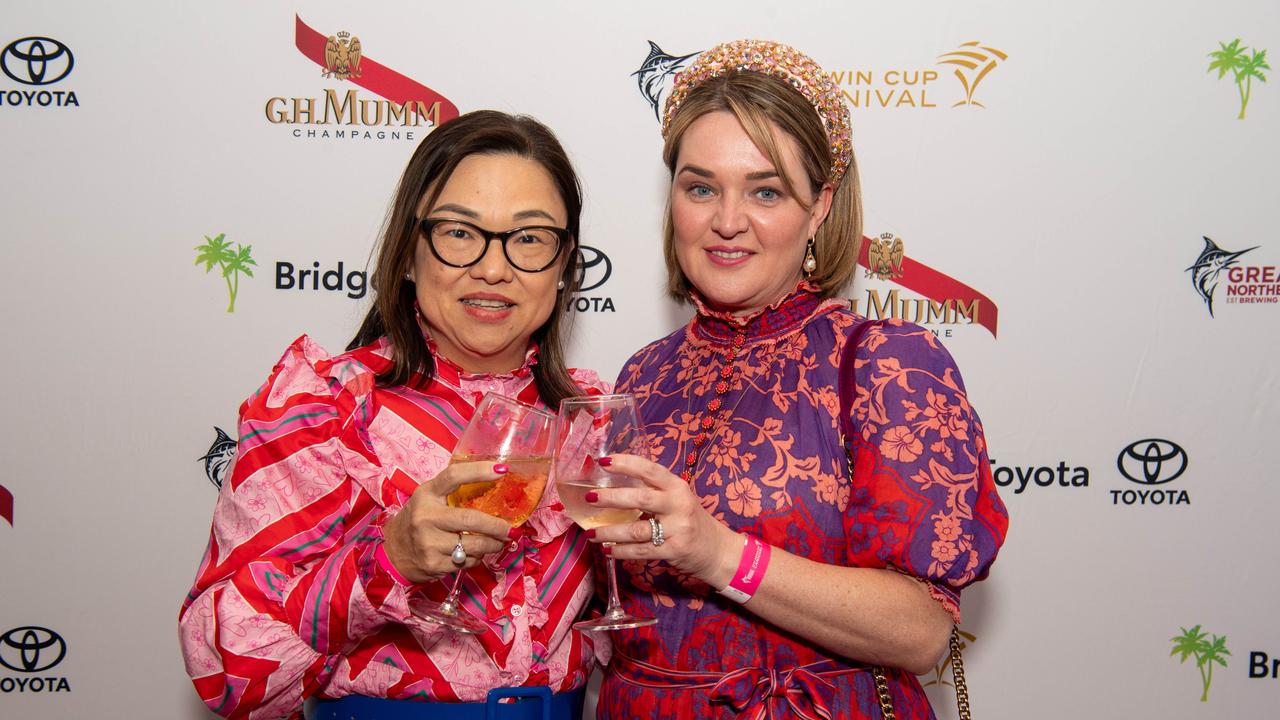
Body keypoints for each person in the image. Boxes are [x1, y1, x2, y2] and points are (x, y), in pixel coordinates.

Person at [584, 40, 1009, 718]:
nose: (727, 221)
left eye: (766, 191)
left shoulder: (886, 364)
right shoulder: (646, 372)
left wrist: (720, 553)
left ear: (819, 208)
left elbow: (923, 632)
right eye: (700, 188)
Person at [179, 110, 607, 720]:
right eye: (460, 232)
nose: (493, 267)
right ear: (408, 253)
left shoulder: (592, 419)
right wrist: (387, 565)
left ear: (564, 265)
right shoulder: (326, 407)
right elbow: (223, 669)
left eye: (530, 237)